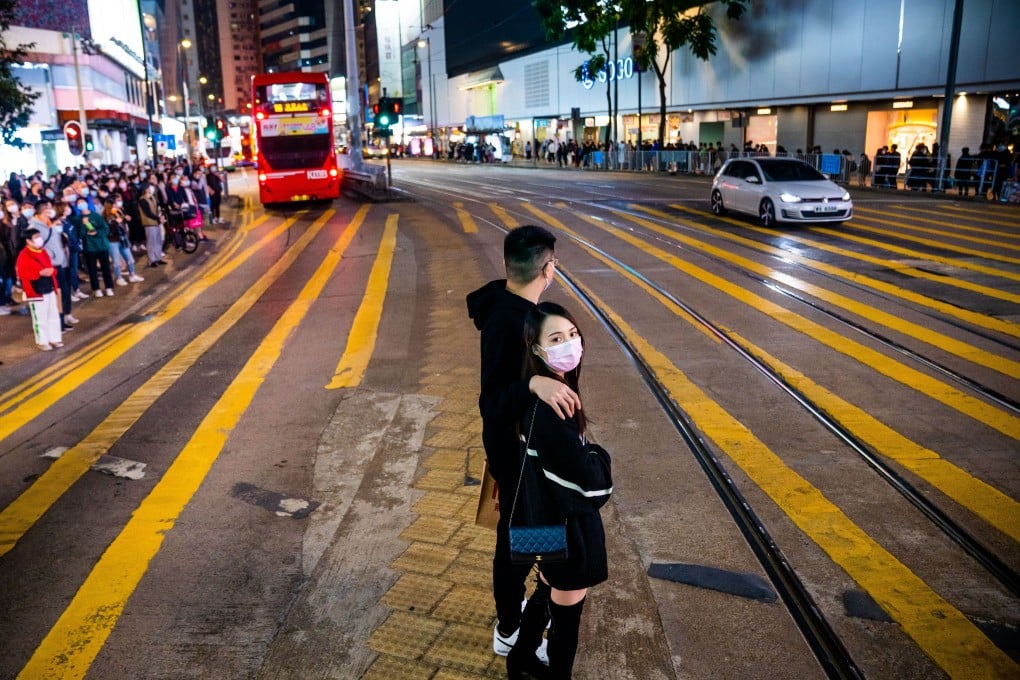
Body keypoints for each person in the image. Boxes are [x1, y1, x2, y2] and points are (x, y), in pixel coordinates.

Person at [466, 225, 582, 663]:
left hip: (526, 449)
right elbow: (492, 401)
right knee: (517, 542)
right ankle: (511, 628)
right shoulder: (506, 320)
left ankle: (523, 621)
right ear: (549, 268)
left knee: (526, 535)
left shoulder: (517, 309)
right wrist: (534, 382)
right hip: (517, 455)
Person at [507, 302, 612, 679]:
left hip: (542, 517)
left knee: (546, 587)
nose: (569, 343)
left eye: (572, 334)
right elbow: (586, 486)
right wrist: (598, 455)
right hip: (568, 528)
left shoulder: (541, 395)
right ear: (536, 349)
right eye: (556, 338)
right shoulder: (552, 407)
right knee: (568, 616)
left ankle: (519, 660)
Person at [15, 228, 63, 350]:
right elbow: (23, 274)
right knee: (40, 318)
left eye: (39, 236)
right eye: (36, 237)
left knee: (53, 315)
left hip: (50, 287)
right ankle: (42, 341)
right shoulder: (24, 255)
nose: (39, 239)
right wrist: (39, 273)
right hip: (36, 291)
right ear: (28, 241)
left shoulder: (43, 252)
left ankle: (55, 339)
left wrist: (52, 271)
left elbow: (51, 267)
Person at [75, 197, 115, 297]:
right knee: (92, 270)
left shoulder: (96, 216)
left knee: (106, 268)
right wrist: (84, 225)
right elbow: (80, 234)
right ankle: (96, 288)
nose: (81, 204)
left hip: (102, 246)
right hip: (89, 248)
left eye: (83, 202)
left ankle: (109, 287)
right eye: (79, 203)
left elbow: (105, 229)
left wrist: (96, 232)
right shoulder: (78, 219)